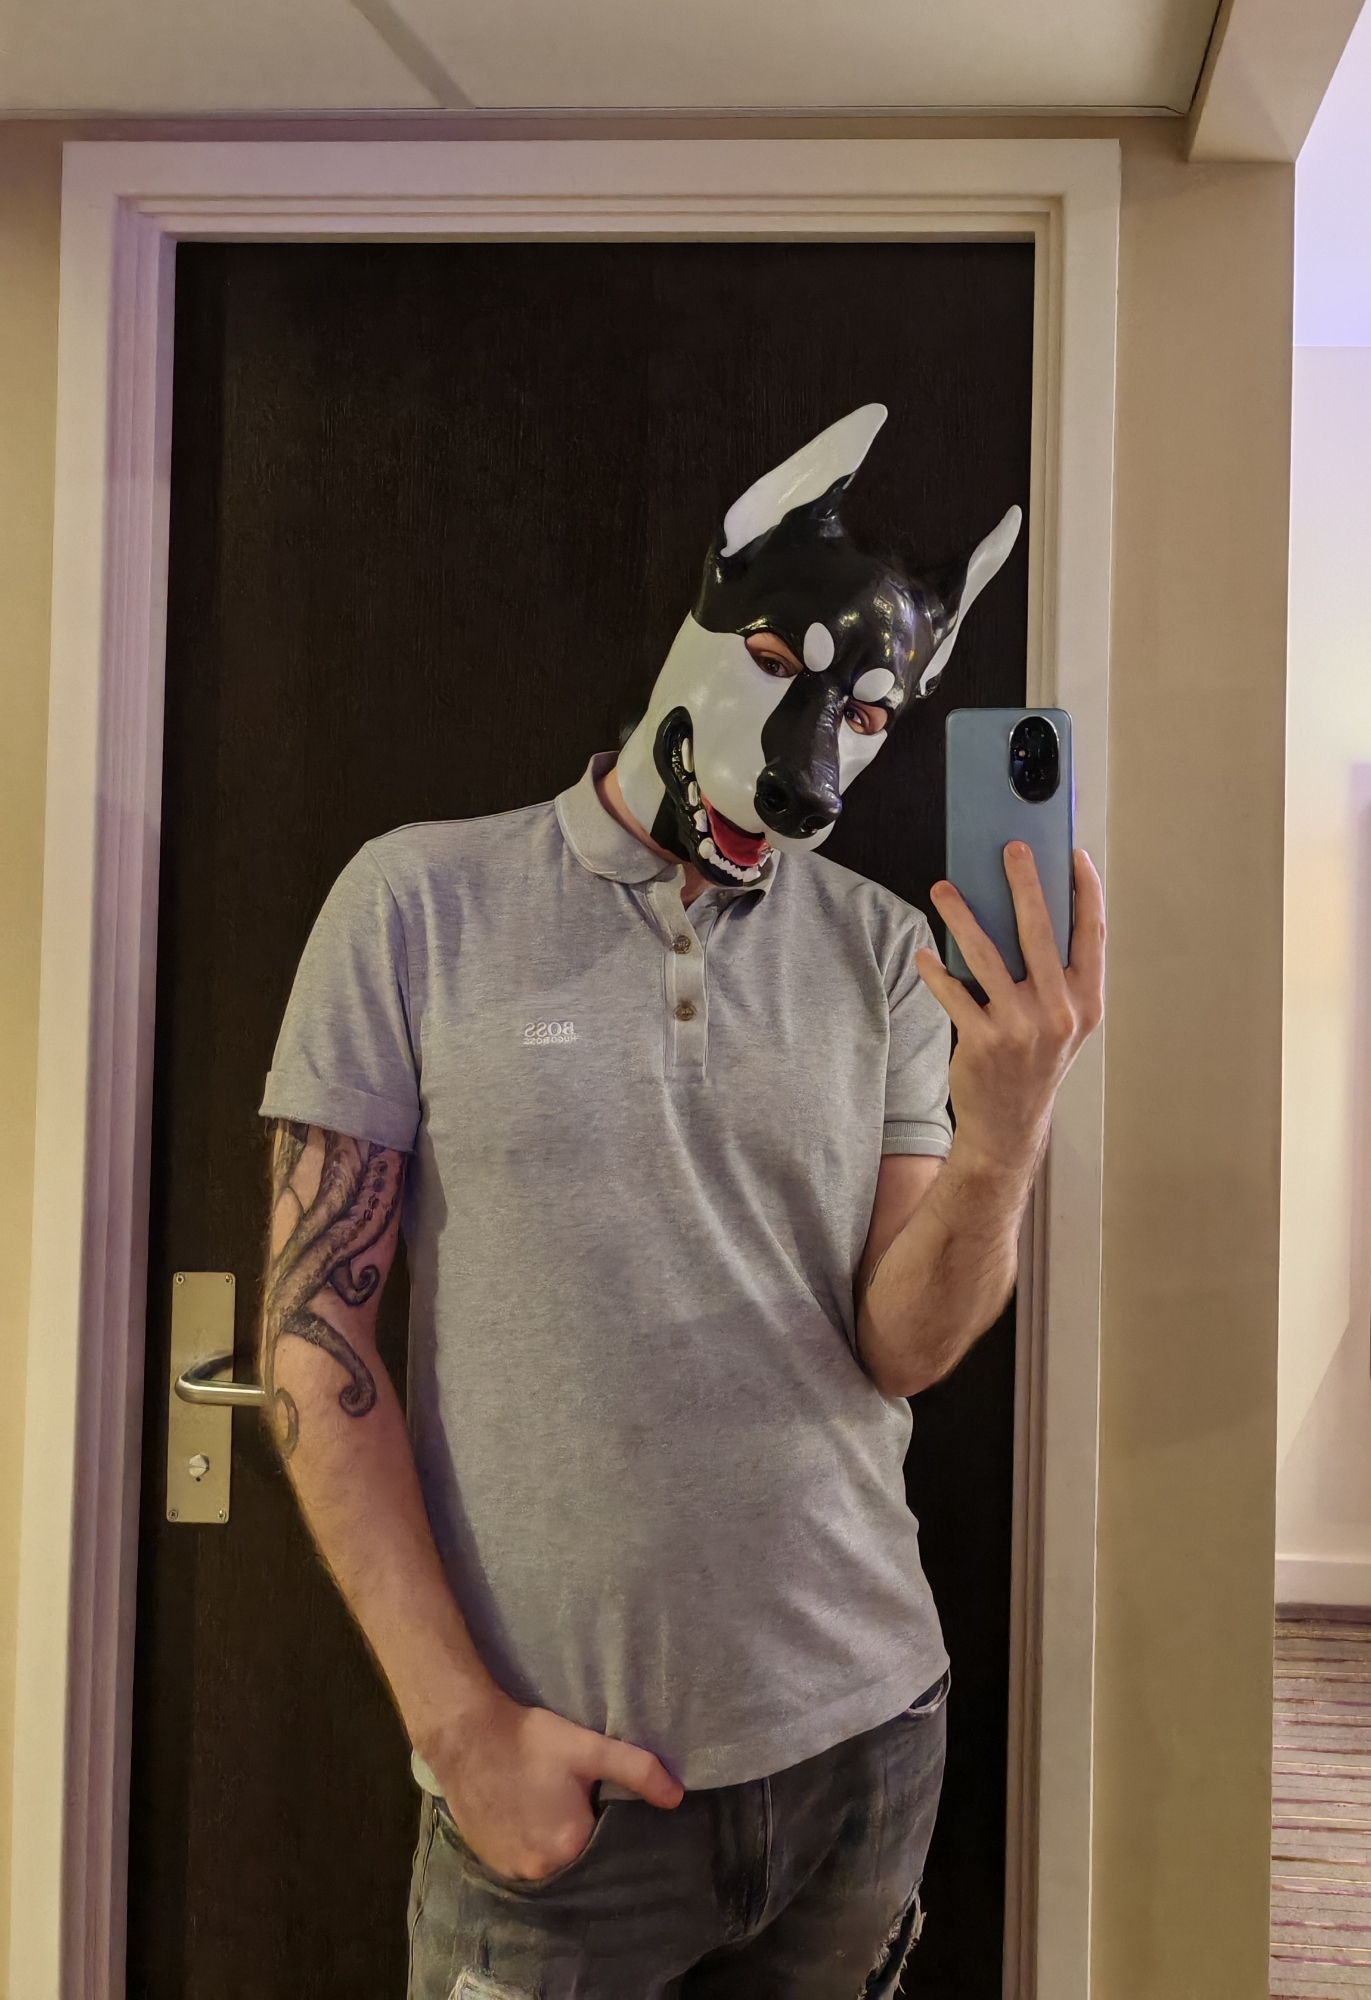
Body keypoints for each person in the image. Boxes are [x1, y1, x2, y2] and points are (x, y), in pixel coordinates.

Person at [257, 405, 1104, 2000]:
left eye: (868, 713)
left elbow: (901, 1347)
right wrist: (461, 1729)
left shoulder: (885, 953)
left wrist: (1006, 1138)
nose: (815, 760)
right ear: (703, 625)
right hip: (557, 1806)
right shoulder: (415, 905)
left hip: (864, 1746)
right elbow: (315, 1340)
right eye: (781, 667)